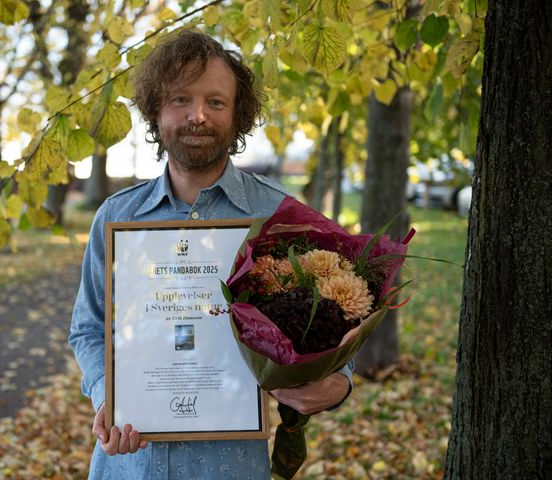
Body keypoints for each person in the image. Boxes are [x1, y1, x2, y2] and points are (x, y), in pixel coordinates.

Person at [69, 29, 354, 479]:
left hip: (232, 466)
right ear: (156, 111)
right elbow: (88, 329)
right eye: (180, 99)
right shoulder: (115, 217)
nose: (197, 115)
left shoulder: (280, 216)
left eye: (216, 102)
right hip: (130, 464)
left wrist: (337, 384)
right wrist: (110, 395)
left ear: (237, 114)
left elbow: (335, 328)